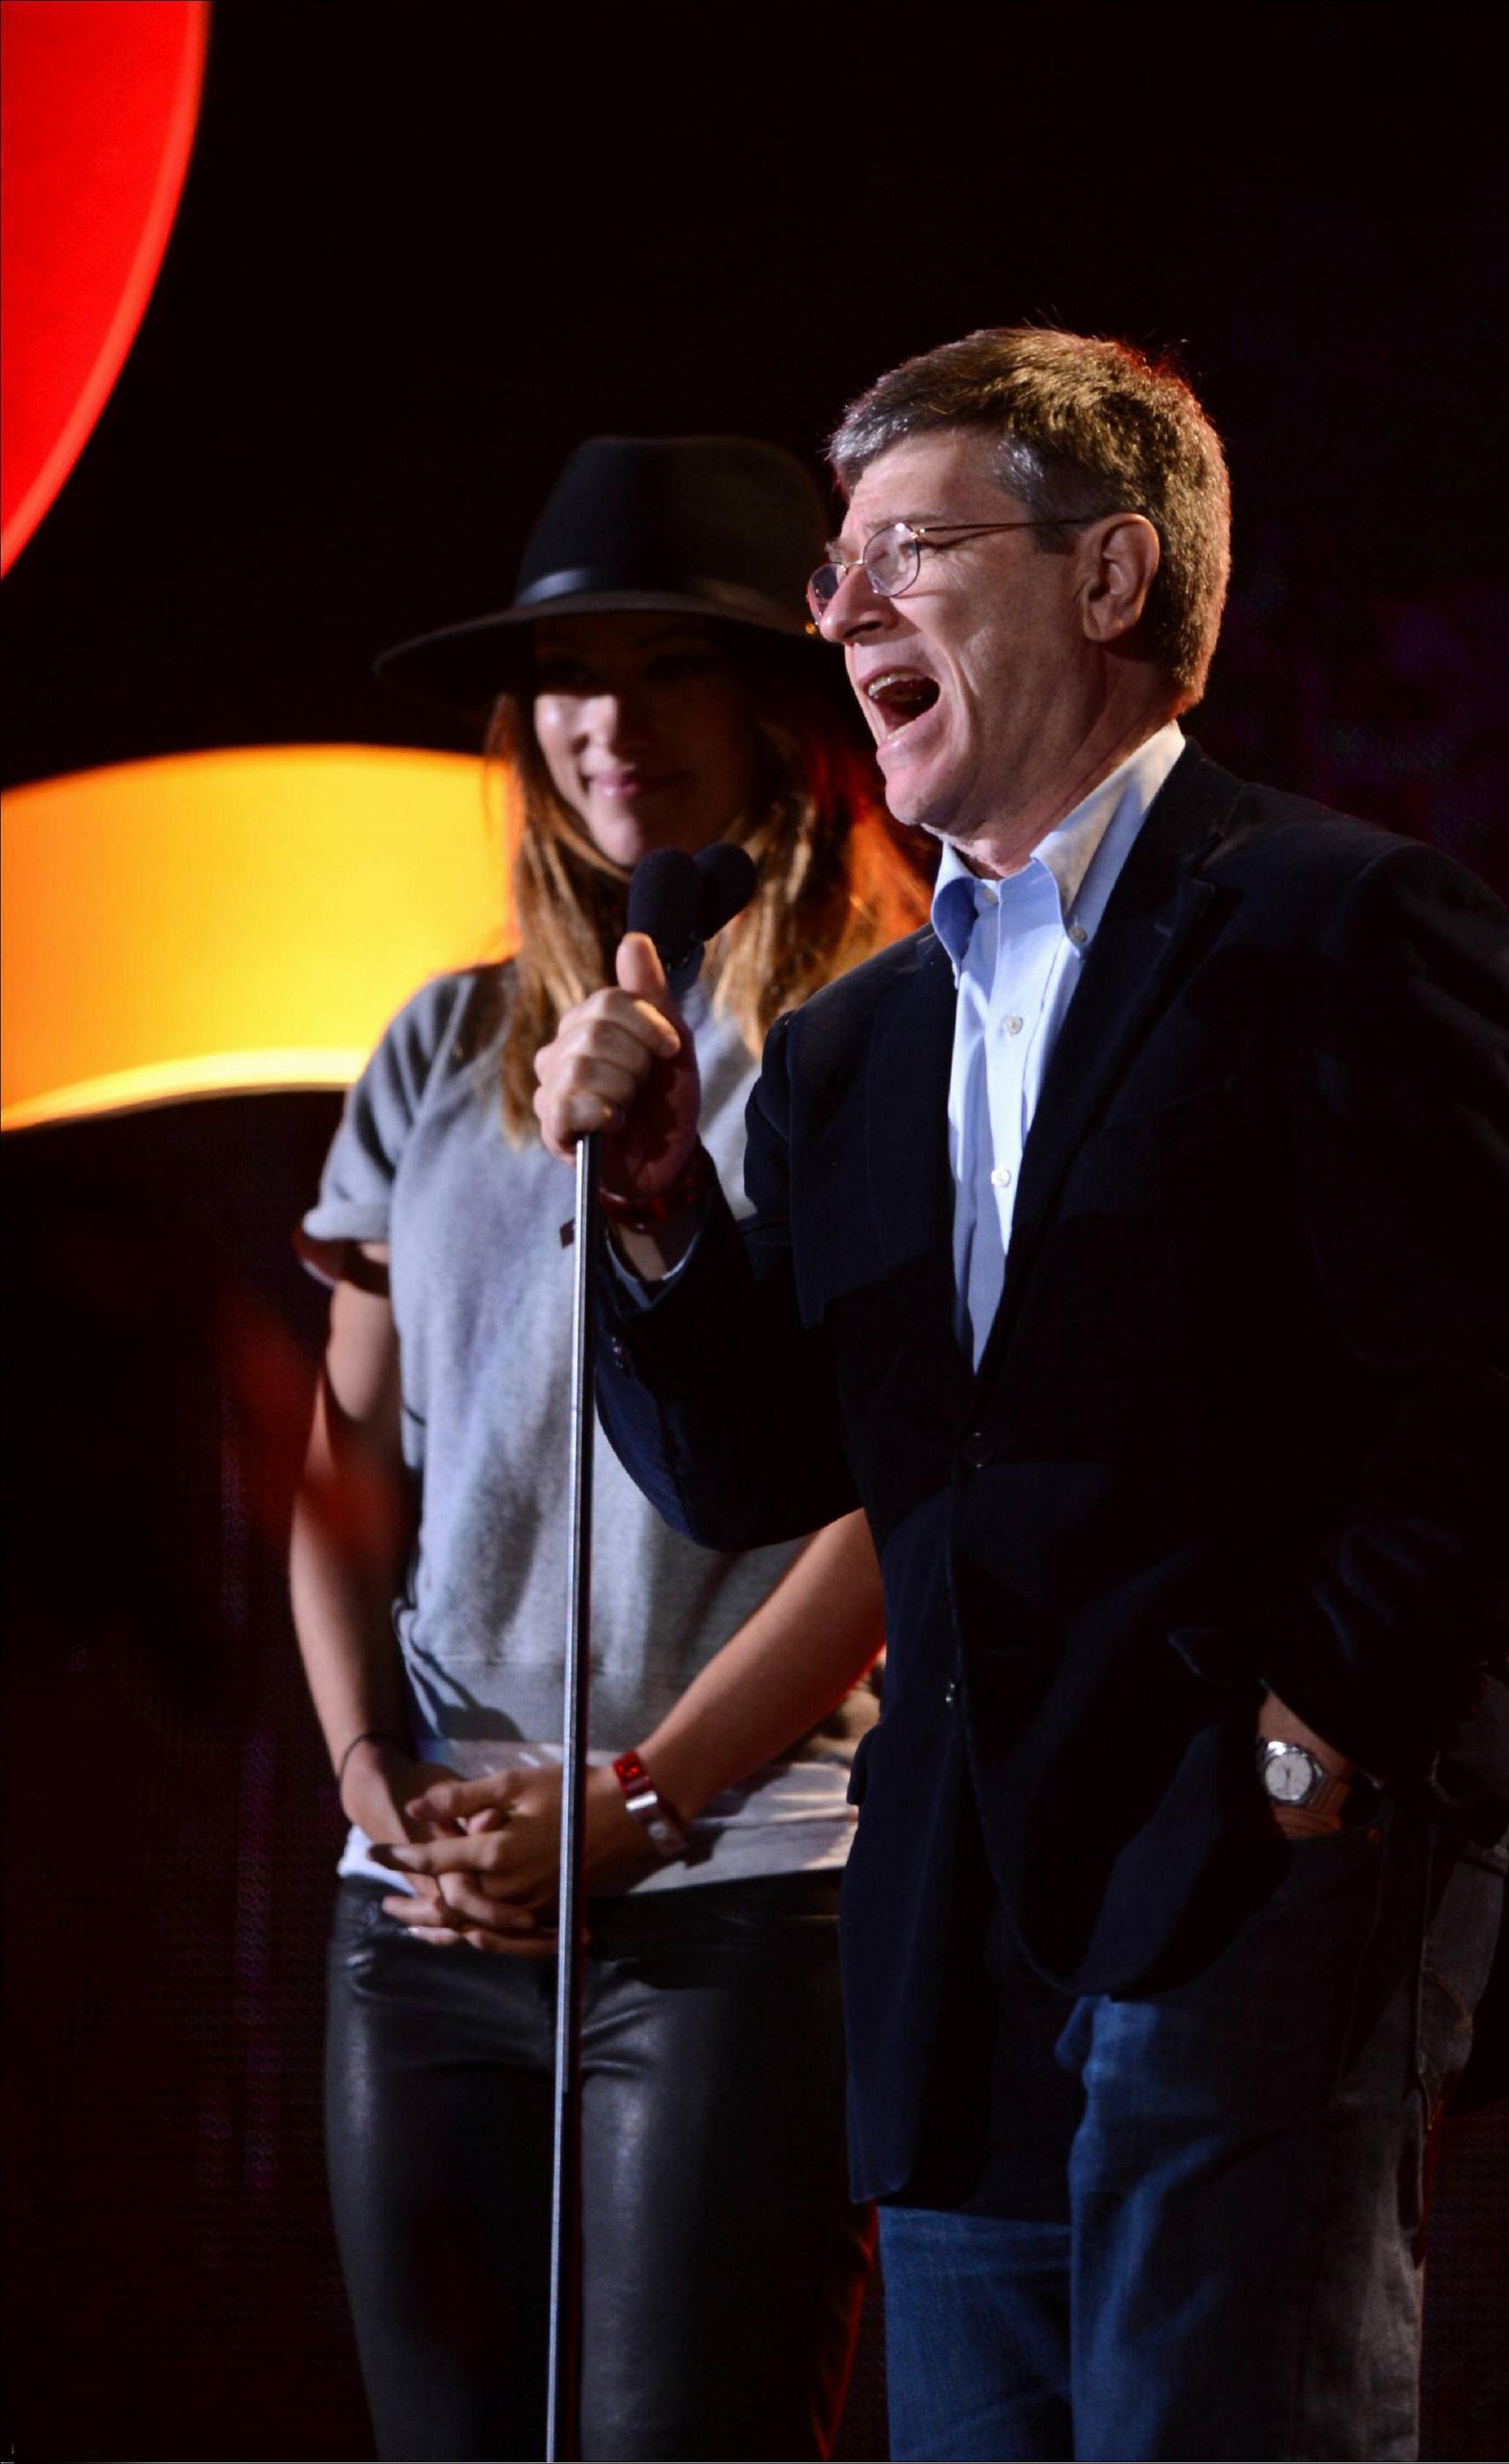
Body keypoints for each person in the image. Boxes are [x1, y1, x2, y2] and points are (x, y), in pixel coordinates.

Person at [533, 334, 1509, 2462]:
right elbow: (761, 1462)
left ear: (1113, 576)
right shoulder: (854, 1050)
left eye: (905, 551)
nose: (839, 610)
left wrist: (1308, 1750)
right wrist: (661, 1210)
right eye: (833, 569)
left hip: (1254, 1896)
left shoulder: (1343, 923)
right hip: (963, 1939)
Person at [290, 434, 925, 2463]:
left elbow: (899, 1500)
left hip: (738, 1879)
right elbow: (339, 1450)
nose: (608, 721)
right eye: (571, 671)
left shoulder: (888, 1025)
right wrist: (374, 1779)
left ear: (772, 705)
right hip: (436, 1894)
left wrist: (643, 1799)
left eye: (669, 667)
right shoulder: (435, 1041)